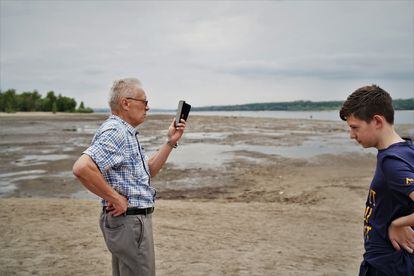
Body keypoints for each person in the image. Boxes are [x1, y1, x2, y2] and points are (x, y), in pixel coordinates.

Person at [73, 78, 186, 276]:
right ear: (126, 103)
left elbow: (148, 171)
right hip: (130, 222)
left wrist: (170, 142)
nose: (148, 107)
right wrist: (114, 198)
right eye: (144, 102)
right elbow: (82, 167)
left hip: (129, 222)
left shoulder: (125, 132)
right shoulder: (116, 131)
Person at [340, 85, 414, 275]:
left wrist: (399, 224)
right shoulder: (407, 149)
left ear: (377, 121)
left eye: (355, 128)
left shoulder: (392, 162)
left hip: (388, 265)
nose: (351, 135)